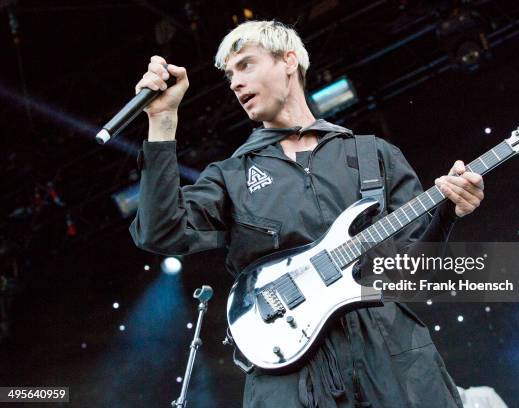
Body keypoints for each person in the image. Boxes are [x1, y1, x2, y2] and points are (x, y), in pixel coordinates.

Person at [130, 20, 484, 408]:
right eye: (230, 74)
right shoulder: (230, 176)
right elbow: (159, 233)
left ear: (289, 60)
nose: (234, 83)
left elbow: (413, 270)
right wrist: (162, 122)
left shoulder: (372, 154)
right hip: (288, 373)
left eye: (246, 65)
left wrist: (448, 211)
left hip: (392, 356)